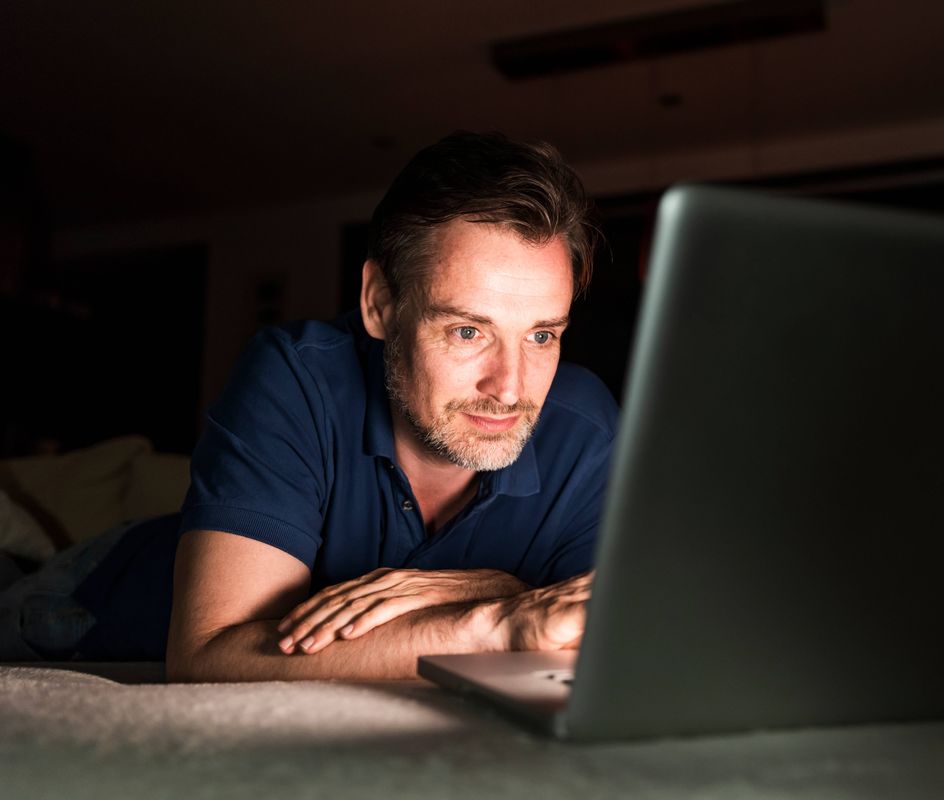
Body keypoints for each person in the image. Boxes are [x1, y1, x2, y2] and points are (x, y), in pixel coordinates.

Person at [0, 131, 618, 679]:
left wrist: (503, 593)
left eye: (542, 335)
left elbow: (606, 625)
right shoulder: (295, 374)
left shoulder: (585, 427)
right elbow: (209, 652)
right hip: (92, 598)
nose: (510, 387)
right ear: (379, 303)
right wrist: (492, 620)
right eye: (467, 331)